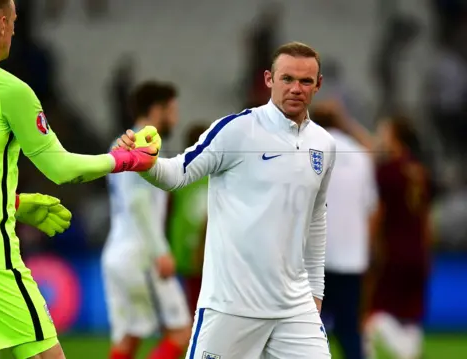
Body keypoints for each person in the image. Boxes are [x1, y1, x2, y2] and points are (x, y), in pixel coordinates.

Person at [0, 1, 158, 358]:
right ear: (0, 24)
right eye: (13, 20)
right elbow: (61, 169)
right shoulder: (8, 90)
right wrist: (124, 159)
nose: (14, 28)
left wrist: (16, 204)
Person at [116, 41, 335, 358]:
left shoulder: (323, 144)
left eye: (305, 81)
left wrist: (315, 291)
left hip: (294, 308)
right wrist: (145, 164)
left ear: (318, 84)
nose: (296, 88)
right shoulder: (237, 130)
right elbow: (178, 173)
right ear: (268, 79)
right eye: (287, 78)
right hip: (232, 306)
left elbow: (316, 221)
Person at [104, 81, 191, 359]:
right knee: (181, 332)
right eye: (172, 110)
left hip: (117, 251)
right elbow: (138, 202)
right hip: (141, 254)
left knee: (129, 338)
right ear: (157, 110)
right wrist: (160, 251)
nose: (176, 118)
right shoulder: (144, 144)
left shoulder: (120, 142)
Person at [311, 104, 379, 359]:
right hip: (352, 258)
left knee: (306, 330)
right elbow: (372, 208)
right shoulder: (360, 154)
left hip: (314, 258)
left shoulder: (307, 149)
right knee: (350, 331)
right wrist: (368, 249)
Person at [364, 116, 432, 359]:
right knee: (410, 315)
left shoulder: (386, 171)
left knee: (375, 311)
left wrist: (368, 246)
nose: (380, 138)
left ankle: (379, 344)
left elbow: (378, 214)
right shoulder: (419, 171)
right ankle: (410, 352)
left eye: (384, 133)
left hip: (392, 251)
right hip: (418, 253)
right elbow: (426, 219)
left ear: (395, 138)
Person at [167, 124, 209, 315]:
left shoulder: (179, 175)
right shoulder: (212, 175)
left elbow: (167, 212)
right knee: (197, 306)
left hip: (190, 250)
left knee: (194, 306)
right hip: (195, 252)